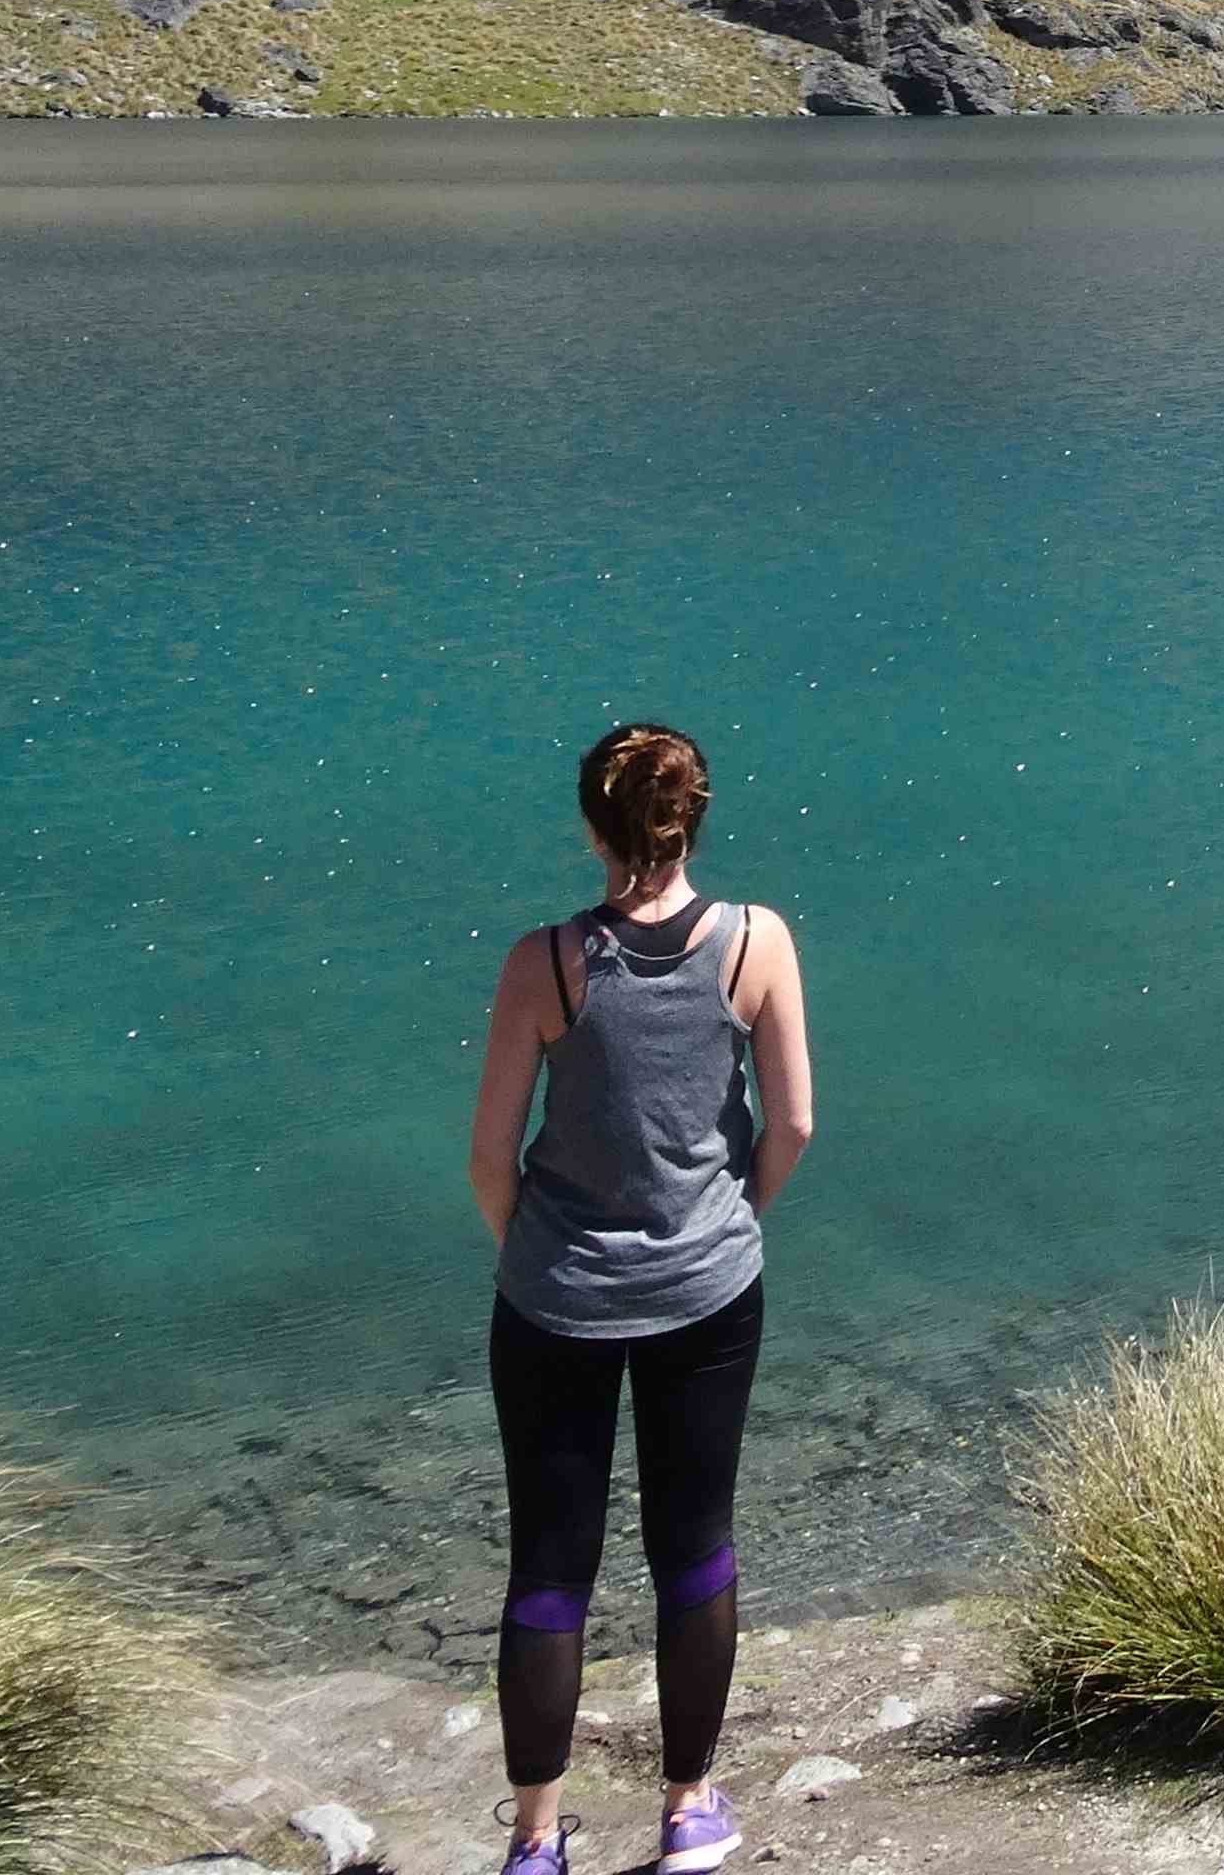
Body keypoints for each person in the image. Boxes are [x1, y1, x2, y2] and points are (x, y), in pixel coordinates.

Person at [464, 722, 816, 1875]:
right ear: (694, 818)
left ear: (590, 827)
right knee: (696, 1544)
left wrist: (544, 1255)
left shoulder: (546, 961)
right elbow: (795, 1125)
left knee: (551, 1564)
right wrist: (725, 1225)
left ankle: (532, 1842)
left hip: (555, 1299)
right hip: (709, 1292)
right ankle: (687, 1811)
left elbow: (488, 1159)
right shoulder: (756, 944)